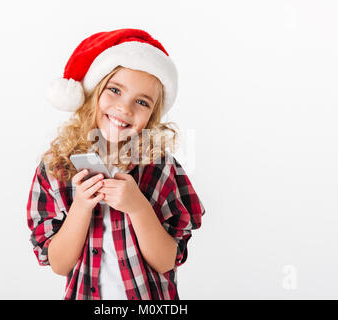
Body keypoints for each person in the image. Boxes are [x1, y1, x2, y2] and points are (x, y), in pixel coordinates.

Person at [26, 28, 205, 300]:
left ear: (152, 116)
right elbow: (59, 264)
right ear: (93, 92)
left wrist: (138, 207)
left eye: (142, 102)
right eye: (115, 90)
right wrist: (82, 207)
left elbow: (167, 260)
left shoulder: (159, 166)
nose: (125, 108)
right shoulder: (56, 168)